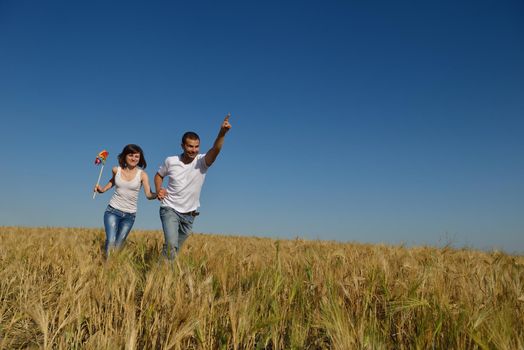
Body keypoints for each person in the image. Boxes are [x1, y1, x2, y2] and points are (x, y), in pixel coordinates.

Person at [155, 114, 232, 259]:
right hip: (169, 208)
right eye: (190, 146)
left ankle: (160, 275)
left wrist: (222, 133)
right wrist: (159, 189)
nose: (193, 150)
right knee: (171, 245)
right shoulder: (171, 161)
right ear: (182, 146)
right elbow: (159, 175)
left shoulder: (202, 161)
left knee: (173, 252)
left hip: (190, 214)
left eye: (196, 146)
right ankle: (164, 278)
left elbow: (215, 150)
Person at [94, 144, 157, 256]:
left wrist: (157, 195)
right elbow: (113, 181)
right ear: (125, 156)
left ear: (140, 158)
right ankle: (107, 269)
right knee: (111, 241)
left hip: (129, 215)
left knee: (119, 245)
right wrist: (102, 190)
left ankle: (113, 266)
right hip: (112, 211)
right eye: (131, 155)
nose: (133, 158)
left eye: (137, 156)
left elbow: (148, 194)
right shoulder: (116, 170)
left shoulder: (142, 175)